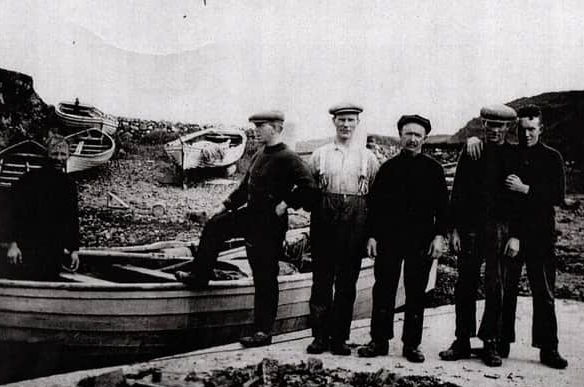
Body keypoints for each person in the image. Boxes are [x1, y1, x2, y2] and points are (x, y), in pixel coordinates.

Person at [175, 110, 317, 348]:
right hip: (251, 215)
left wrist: (285, 204)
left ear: (275, 128)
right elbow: (243, 189)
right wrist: (223, 206)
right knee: (215, 227)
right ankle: (200, 276)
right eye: (255, 125)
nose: (255, 130)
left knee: (264, 277)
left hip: (269, 224)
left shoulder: (288, 157)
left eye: (260, 126)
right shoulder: (261, 153)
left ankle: (262, 332)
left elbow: (309, 187)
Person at [357, 114, 448, 363]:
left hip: (421, 241)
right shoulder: (388, 169)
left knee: (416, 292)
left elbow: (443, 209)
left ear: (425, 138)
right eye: (408, 134)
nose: (412, 139)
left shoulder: (434, 170)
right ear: (400, 136)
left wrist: (439, 236)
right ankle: (379, 340)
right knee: (383, 289)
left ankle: (412, 345)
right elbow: (374, 207)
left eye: (418, 135)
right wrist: (372, 236)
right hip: (389, 239)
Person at [439, 105, 517, 362]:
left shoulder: (514, 155)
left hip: (499, 229)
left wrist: (515, 235)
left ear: (507, 128)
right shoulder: (472, 151)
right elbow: (458, 193)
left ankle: (491, 342)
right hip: (470, 228)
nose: (494, 130)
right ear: (483, 126)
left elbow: (520, 204)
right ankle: (462, 340)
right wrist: (454, 231)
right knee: (465, 284)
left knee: (496, 285)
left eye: (500, 126)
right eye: (490, 125)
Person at [306, 103, 379, 356]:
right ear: (334, 122)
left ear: (357, 123)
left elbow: (376, 200)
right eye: (341, 120)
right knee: (321, 281)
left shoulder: (368, 158)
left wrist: (372, 235)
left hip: (355, 223)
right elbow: (308, 188)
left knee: (347, 283)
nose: (346, 125)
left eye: (350, 120)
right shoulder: (320, 155)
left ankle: (339, 338)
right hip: (324, 222)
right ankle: (319, 336)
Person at [498, 105, 568, 369]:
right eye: (522, 129)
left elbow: (557, 196)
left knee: (544, 292)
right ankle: (501, 342)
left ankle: (548, 348)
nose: (526, 134)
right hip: (513, 236)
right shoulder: (512, 155)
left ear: (541, 128)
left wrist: (525, 188)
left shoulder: (552, 157)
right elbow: (506, 200)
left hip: (541, 235)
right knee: (508, 290)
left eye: (531, 129)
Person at [7, 134, 80, 280]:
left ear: (68, 156)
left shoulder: (69, 185)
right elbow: (13, 213)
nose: (59, 158)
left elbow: (72, 218)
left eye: (63, 154)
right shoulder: (28, 179)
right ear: (46, 155)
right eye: (54, 154)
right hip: (27, 248)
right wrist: (12, 244)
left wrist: (74, 250)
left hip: (54, 250)